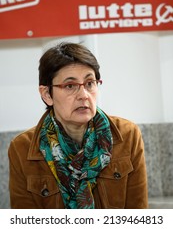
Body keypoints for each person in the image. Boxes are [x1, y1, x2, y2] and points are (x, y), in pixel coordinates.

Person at [8, 42, 148, 209]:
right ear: (47, 94)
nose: (84, 95)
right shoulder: (21, 148)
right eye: (70, 86)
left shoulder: (127, 136)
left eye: (90, 83)